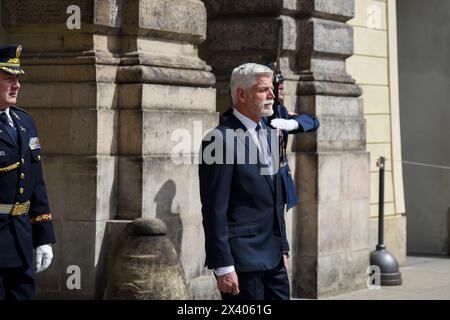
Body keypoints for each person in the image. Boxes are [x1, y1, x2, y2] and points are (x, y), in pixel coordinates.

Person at [199, 63, 290, 300]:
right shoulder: (219, 140)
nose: (272, 95)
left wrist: (283, 247)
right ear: (241, 94)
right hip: (242, 263)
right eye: (263, 90)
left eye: (272, 89)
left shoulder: (271, 134)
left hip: (275, 259)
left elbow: (275, 197)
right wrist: (224, 266)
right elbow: (214, 209)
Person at [0, 44, 56, 300]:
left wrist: (44, 236)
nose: (17, 85)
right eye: (9, 77)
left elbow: (36, 184)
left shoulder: (25, 122)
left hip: (21, 239)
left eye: (18, 78)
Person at [264, 64, 320, 210]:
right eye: (277, 84)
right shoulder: (260, 116)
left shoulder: (281, 112)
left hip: (281, 181)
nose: (281, 86)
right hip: (265, 181)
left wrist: (291, 124)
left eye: (282, 84)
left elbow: (313, 122)